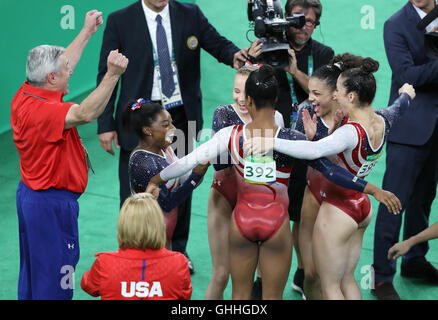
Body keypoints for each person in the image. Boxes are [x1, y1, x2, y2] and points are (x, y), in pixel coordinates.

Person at [146, 65, 401, 300]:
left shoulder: (229, 135)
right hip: (276, 225)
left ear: (248, 101)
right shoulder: (292, 138)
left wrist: (156, 179)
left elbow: (187, 162)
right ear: (276, 100)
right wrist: (372, 189)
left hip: (241, 221)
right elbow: (329, 170)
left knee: (240, 296)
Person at [96, 0, 248, 271]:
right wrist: (104, 123)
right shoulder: (120, 20)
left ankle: (177, 251)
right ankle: (130, 254)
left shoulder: (189, 13)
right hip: (139, 119)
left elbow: (216, 42)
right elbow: (106, 74)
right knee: (134, 193)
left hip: (179, 117)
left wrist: (234, 54)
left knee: (181, 184)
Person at [244, 59, 414, 299]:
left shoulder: (350, 132)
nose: (336, 96)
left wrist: (270, 141)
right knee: (347, 280)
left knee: (331, 286)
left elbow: (315, 154)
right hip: (361, 208)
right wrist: (407, 93)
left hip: (338, 209)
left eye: (340, 91)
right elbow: (400, 107)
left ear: (352, 96)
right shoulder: (383, 120)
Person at [11, 10, 128, 300]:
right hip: (51, 206)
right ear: (51, 78)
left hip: (31, 197)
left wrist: (87, 32)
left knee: (34, 276)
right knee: (56, 284)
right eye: (65, 71)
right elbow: (87, 112)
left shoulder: (28, 92)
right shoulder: (47, 112)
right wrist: (113, 75)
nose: (71, 71)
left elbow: (63, 65)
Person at [372, 0, 438, 300]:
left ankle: (415, 259)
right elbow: (407, 74)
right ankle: (382, 276)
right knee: (393, 201)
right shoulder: (395, 24)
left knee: (424, 198)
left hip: (435, 131)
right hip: (409, 126)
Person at [205, 66, 284, 300]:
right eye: (235, 90)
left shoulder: (275, 116)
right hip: (225, 198)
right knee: (221, 274)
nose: (239, 98)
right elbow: (219, 164)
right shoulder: (223, 114)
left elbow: (279, 163)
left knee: (260, 274)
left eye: (244, 92)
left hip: (259, 203)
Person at [293, 53, 364, 300]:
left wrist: (317, 141)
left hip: (340, 204)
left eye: (317, 94)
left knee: (333, 279)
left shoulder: (350, 121)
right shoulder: (304, 112)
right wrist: (309, 140)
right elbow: (300, 153)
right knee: (310, 273)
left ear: (336, 94)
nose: (310, 98)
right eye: (309, 92)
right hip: (312, 196)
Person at [280, 0, 335, 295]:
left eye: (311, 23)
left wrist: (293, 70)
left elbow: (324, 95)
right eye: (299, 21)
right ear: (286, 19)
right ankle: (264, 276)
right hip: (275, 141)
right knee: (275, 210)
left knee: (302, 214)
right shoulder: (271, 47)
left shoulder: (324, 54)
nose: (304, 28)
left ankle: (303, 271)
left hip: (310, 144)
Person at [123, 98, 209, 249]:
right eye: (166, 125)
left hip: (164, 235)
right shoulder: (143, 162)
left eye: (171, 122)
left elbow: (184, 179)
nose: (173, 128)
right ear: (147, 130)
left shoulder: (165, 150)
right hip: (147, 238)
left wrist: (201, 165)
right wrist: (196, 176)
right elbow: (168, 203)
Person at [81, 193, 192, 300]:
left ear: (123, 225)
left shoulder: (104, 263)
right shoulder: (179, 263)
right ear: (159, 225)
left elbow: (87, 285)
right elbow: (185, 295)